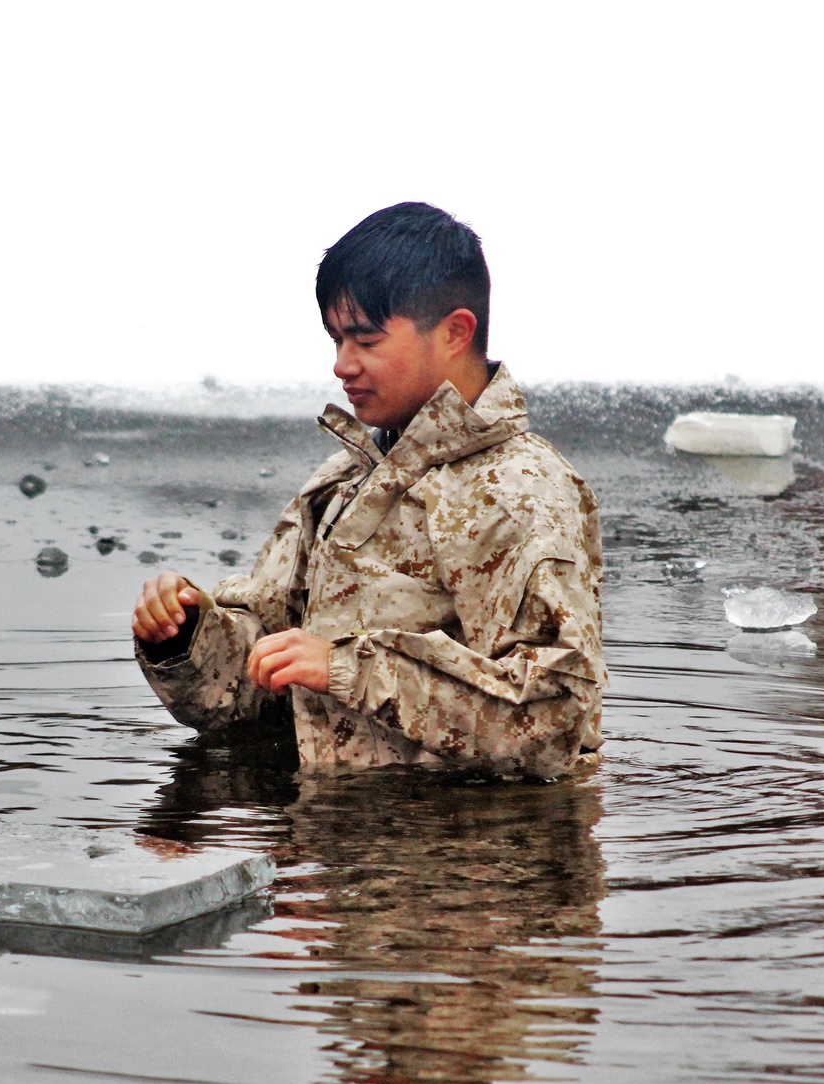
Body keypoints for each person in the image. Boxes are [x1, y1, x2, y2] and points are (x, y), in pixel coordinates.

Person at [132, 202, 605, 777]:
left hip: (478, 849)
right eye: (335, 340)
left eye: (366, 340)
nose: (340, 365)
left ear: (456, 332)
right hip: (336, 839)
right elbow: (254, 693)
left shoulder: (521, 493)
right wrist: (185, 638)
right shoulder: (345, 480)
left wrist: (347, 669)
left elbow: (556, 719)